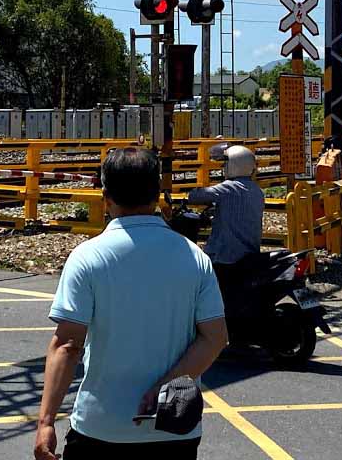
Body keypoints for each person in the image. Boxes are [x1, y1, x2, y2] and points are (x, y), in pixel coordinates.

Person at [34, 147, 228, 460]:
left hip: (101, 428)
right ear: (157, 196)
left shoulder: (88, 257)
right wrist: (163, 389)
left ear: (105, 197)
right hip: (173, 429)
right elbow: (215, 338)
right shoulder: (194, 257)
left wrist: (45, 422)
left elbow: (68, 345)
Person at [188, 145, 265, 290]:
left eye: (225, 164)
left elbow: (195, 196)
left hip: (226, 255)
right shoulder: (257, 191)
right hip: (250, 253)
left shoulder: (228, 188)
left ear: (233, 165)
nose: (223, 167)